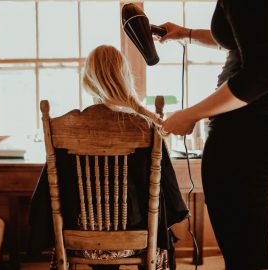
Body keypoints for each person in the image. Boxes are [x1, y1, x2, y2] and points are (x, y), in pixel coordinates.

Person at [157, 1, 268, 269]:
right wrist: (187, 33)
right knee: (253, 252)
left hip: (246, 141)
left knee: (246, 259)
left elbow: (263, 73)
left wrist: (190, 114)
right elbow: (254, 39)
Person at [29, 45, 189, 270]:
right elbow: (171, 199)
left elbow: (44, 200)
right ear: (125, 77)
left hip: (79, 241)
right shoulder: (146, 127)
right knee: (162, 233)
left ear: (88, 80)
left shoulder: (64, 130)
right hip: (137, 241)